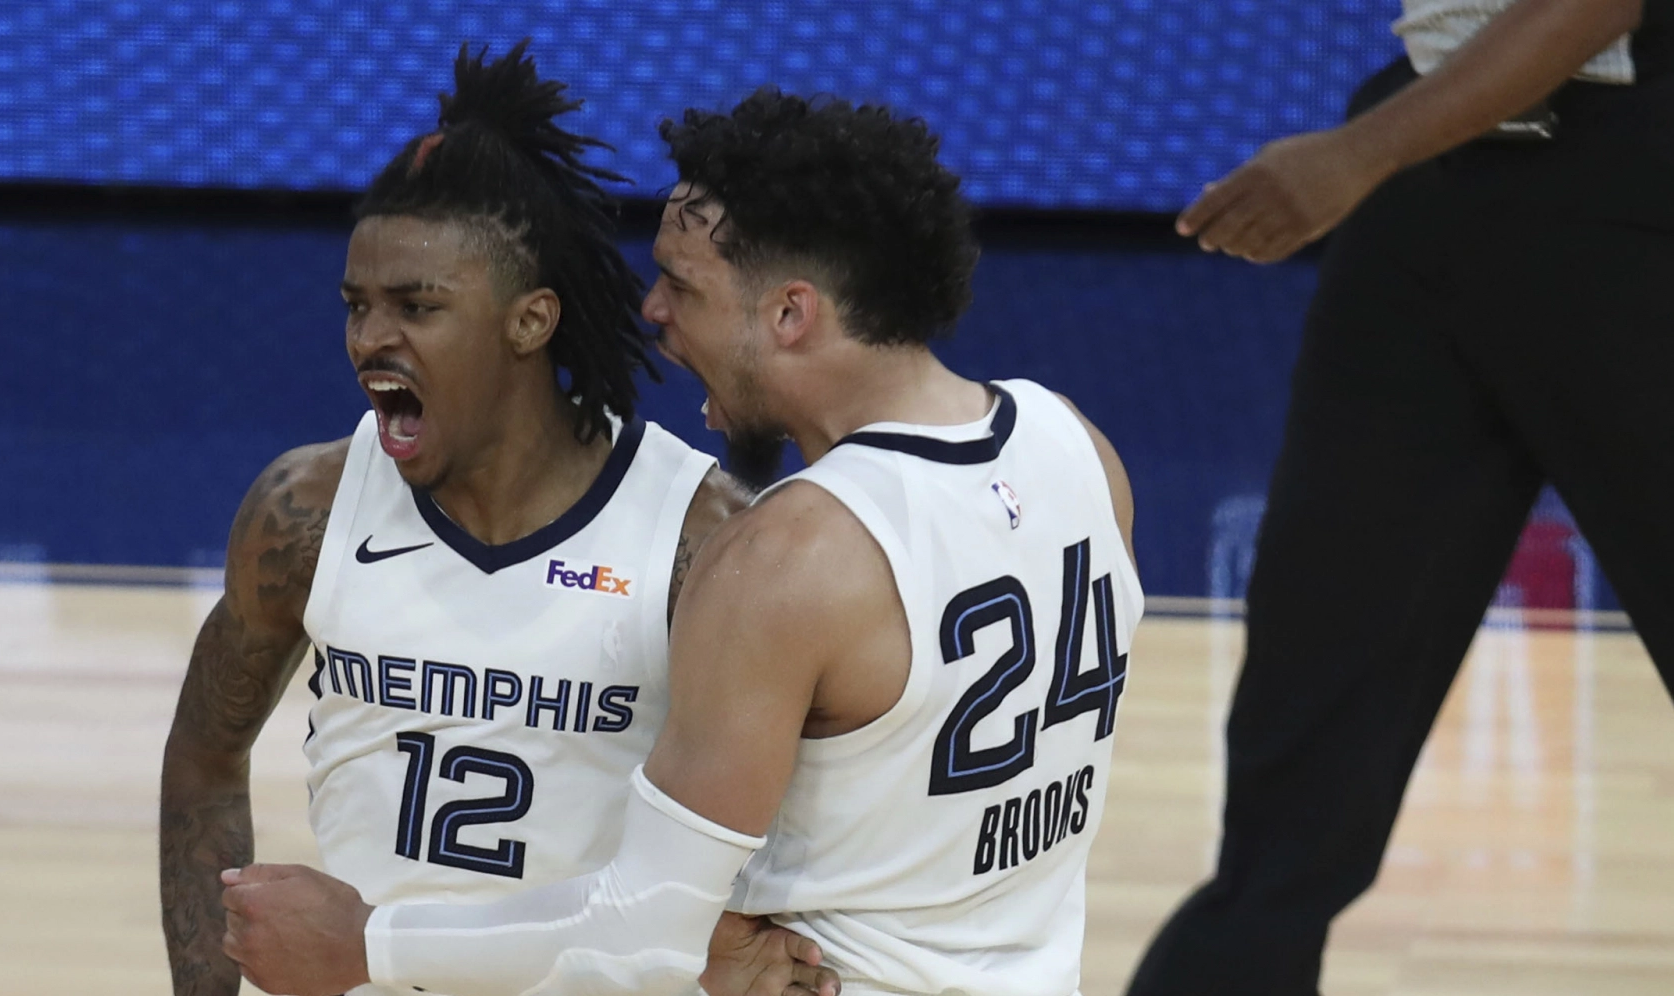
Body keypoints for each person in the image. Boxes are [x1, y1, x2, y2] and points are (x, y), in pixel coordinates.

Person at [213, 88, 1142, 996]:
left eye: (683, 285)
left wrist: (364, 943)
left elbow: (640, 930)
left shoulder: (785, 558)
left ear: (790, 314)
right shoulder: (1074, 448)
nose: (651, 310)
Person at [157, 46, 834, 996]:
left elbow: (787, 839)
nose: (369, 339)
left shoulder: (699, 538)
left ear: (530, 320)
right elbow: (204, 759)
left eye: (416, 306)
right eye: (356, 306)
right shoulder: (303, 512)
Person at [1125, 1, 1674, 993]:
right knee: (1317, 674)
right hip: (1429, 170)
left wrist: (1360, 153)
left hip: (1625, 185)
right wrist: (1382, 148)